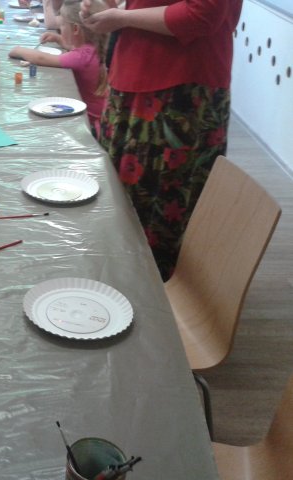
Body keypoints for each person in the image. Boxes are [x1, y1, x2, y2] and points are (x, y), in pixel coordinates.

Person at [81, 0, 243, 280]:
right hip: (137, 77)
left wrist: (122, 17)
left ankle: (148, 294)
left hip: (175, 91)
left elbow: (201, 15)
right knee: (123, 201)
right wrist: (109, 8)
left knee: (158, 214)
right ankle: (122, 284)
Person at [9, 0, 108, 134]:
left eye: (62, 26)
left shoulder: (81, 57)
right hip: (101, 115)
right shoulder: (93, 49)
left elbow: (41, 58)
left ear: (75, 29)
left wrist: (18, 50)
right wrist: (58, 39)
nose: (60, 30)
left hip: (91, 123)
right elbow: (73, 48)